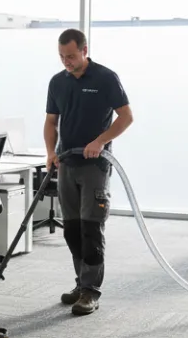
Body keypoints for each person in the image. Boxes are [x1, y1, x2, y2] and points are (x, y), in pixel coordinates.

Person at [44, 29, 134, 316]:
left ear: (84, 50)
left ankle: (91, 292)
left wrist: (99, 141)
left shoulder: (106, 78)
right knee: (71, 230)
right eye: (61, 56)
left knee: (91, 229)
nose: (66, 61)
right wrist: (49, 151)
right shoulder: (57, 82)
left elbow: (127, 117)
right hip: (67, 164)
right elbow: (50, 122)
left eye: (70, 56)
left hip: (95, 166)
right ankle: (81, 283)